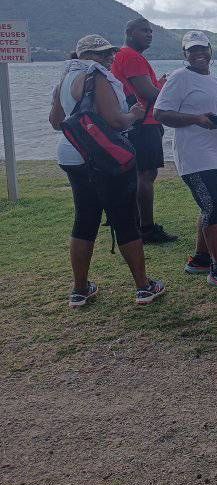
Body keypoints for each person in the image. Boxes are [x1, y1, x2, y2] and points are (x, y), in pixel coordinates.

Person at [50, 35, 166, 308]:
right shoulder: (96, 77)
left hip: (71, 154)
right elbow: (115, 120)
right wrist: (135, 115)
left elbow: (56, 122)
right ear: (87, 56)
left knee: (85, 218)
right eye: (102, 54)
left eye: (110, 54)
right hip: (103, 157)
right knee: (124, 218)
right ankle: (143, 286)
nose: (109, 58)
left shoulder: (63, 79)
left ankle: (79, 290)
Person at [153, 30, 217, 291]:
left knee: (214, 205)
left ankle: (200, 259)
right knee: (215, 203)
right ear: (185, 54)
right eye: (192, 50)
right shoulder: (179, 78)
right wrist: (195, 119)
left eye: (202, 49)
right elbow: (160, 112)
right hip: (194, 154)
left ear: (210, 51)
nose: (198, 54)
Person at [111, 16, 177, 244]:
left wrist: (158, 85)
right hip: (144, 123)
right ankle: (146, 228)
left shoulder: (123, 56)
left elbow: (141, 89)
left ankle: (136, 224)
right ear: (130, 33)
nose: (149, 34)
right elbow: (149, 93)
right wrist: (165, 91)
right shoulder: (132, 57)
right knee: (146, 175)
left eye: (150, 31)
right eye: (144, 31)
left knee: (140, 174)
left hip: (136, 123)